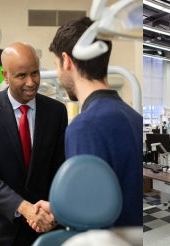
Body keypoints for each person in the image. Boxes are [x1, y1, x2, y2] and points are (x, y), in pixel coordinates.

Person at [0, 42, 68, 245]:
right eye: (21, 76)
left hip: (41, 227)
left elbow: (59, 169)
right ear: (5, 76)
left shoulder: (56, 112)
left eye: (35, 73)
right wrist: (26, 209)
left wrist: (53, 210)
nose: (31, 82)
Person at [45, 17, 142, 227]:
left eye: (56, 66)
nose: (59, 74)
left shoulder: (84, 127)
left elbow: (86, 213)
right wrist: (57, 207)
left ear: (66, 61)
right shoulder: (134, 118)